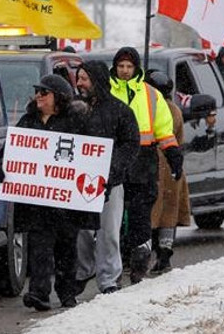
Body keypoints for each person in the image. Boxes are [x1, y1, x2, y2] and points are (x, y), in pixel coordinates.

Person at [0, 74, 98, 311]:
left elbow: (89, 157)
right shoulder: (28, 121)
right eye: (37, 92)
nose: (38, 96)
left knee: (66, 248)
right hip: (37, 203)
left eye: (44, 93)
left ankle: (67, 293)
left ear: (58, 98)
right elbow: (11, 150)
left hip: (66, 203)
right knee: (40, 248)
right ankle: (39, 293)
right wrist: (4, 168)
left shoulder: (76, 123)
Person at [108, 47, 183, 284]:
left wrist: (173, 155)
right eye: (121, 66)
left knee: (141, 216)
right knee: (114, 219)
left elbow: (164, 130)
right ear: (115, 67)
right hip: (114, 163)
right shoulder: (106, 92)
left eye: (129, 67)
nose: (125, 71)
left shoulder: (152, 95)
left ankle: (139, 264)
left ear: (136, 68)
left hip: (143, 162)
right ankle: (116, 265)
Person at [74, 61, 140, 295]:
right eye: (78, 78)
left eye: (84, 79)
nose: (79, 83)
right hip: (77, 183)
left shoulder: (120, 111)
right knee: (80, 231)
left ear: (97, 80)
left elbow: (131, 144)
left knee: (108, 232)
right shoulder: (74, 110)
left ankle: (109, 279)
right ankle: (82, 272)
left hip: (110, 183)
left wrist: (112, 170)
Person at [145, 70, 191, 275]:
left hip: (160, 166)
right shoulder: (174, 109)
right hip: (171, 168)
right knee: (167, 213)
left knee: (156, 212)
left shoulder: (160, 109)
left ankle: (160, 254)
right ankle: (164, 253)